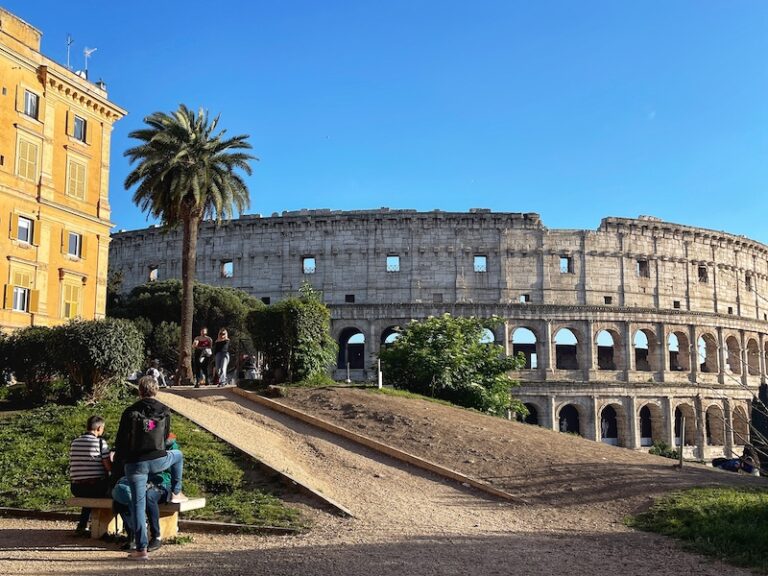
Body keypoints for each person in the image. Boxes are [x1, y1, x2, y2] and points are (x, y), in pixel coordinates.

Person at [114, 376, 187, 560]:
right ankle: (176, 490)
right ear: (156, 390)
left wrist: (121, 465)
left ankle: (141, 550)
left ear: (139, 391)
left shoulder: (130, 411)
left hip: (135, 464)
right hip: (157, 459)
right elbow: (164, 439)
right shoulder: (165, 411)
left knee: (138, 505)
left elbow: (121, 441)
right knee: (178, 456)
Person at [69, 415, 112, 536]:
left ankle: (82, 524)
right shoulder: (100, 442)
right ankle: (103, 527)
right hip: (96, 487)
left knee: (90, 493)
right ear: (98, 428)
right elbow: (108, 467)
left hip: (76, 488)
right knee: (111, 489)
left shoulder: (74, 442)